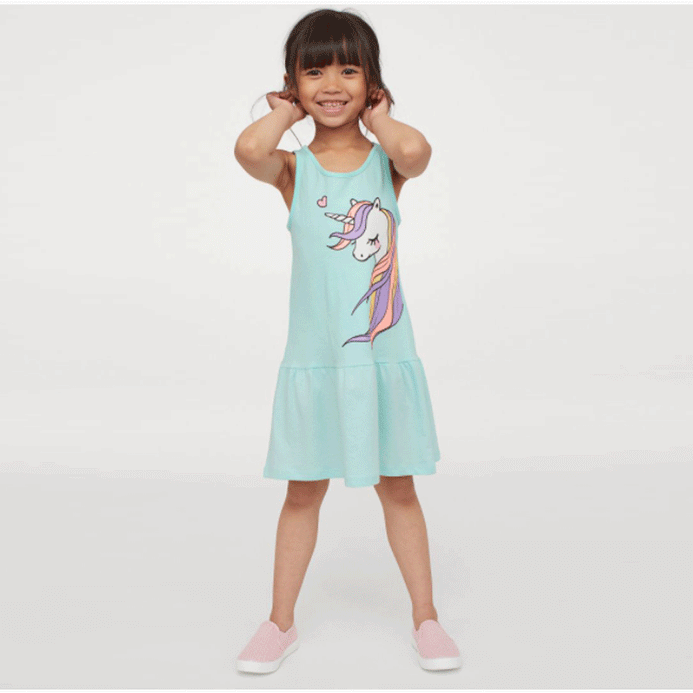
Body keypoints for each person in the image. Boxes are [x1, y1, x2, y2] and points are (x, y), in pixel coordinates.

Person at [233, 8, 460, 674]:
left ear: (372, 84)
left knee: (399, 488)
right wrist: (283, 112)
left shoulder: (386, 163)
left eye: (348, 71)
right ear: (293, 84)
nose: (331, 84)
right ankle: (279, 622)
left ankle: (426, 617)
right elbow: (248, 151)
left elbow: (416, 153)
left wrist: (380, 119)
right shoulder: (292, 168)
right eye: (314, 72)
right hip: (317, 363)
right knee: (302, 493)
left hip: (380, 357)